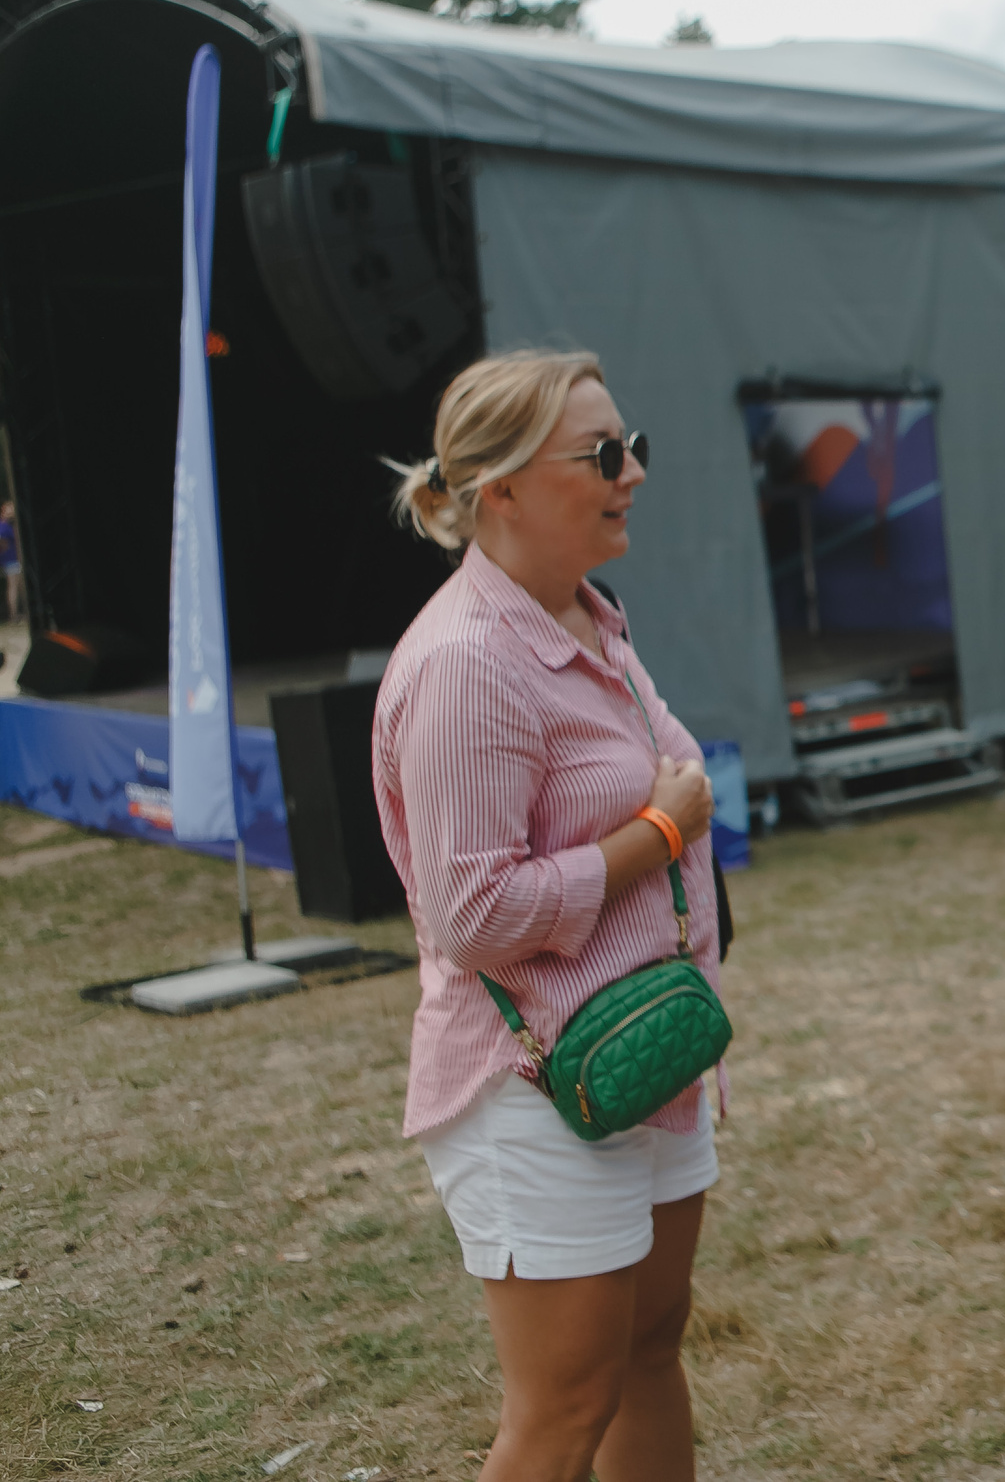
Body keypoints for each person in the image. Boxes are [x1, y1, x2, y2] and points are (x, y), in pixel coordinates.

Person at [372, 350, 722, 1482]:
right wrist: (653, 840)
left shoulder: (585, 617)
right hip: (531, 1085)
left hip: (641, 1049)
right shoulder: (469, 663)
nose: (632, 474)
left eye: (635, 449)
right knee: (564, 1408)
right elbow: (472, 913)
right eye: (603, 454)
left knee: (649, 1354)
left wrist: (664, 815)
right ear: (500, 490)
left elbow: (673, 765)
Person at [0, 500, 20, 622]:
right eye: (9, 508)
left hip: (13, 559)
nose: (12, 510)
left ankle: (17, 613)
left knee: (17, 586)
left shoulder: (9, 525)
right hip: (11, 560)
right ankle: (14, 614)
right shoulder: (3, 526)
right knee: (13, 586)